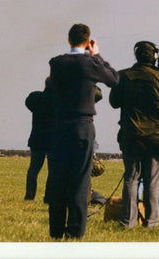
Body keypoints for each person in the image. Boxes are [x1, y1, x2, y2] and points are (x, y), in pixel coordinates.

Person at [45, 23, 119, 240]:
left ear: (68, 40)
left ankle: (56, 230)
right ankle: (74, 231)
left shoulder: (56, 63)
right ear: (88, 42)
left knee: (57, 179)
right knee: (80, 180)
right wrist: (97, 56)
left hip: (59, 125)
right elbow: (114, 79)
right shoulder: (90, 64)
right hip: (82, 125)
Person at [109, 41, 159, 228]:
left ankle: (127, 220)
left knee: (131, 178)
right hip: (157, 139)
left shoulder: (123, 76)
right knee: (153, 182)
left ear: (136, 55)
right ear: (154, 57)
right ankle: (151, 222)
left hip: (132, 136)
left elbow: (113, 102)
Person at [24, 77, 54, 201]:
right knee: (52, 172)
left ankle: (29, 196)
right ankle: (48, 197)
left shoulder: (36, 98)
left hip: (37, 137)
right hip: (54, 139)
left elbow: (28, 102)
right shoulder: (59, 100)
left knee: (33, 170)